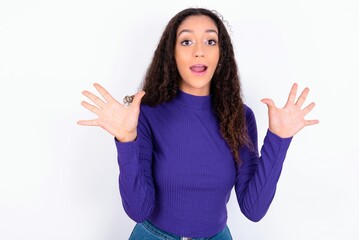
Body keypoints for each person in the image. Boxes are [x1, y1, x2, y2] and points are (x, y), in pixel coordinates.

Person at [77, 7, 319, 240]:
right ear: (171, 53)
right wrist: (126, 139)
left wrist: (279, 138)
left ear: (221, 54)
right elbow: (138, 211)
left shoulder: (240, 117)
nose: (199, 51)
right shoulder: (147, 114)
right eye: (186, 41)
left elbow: (253, 209)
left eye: (210, 41)